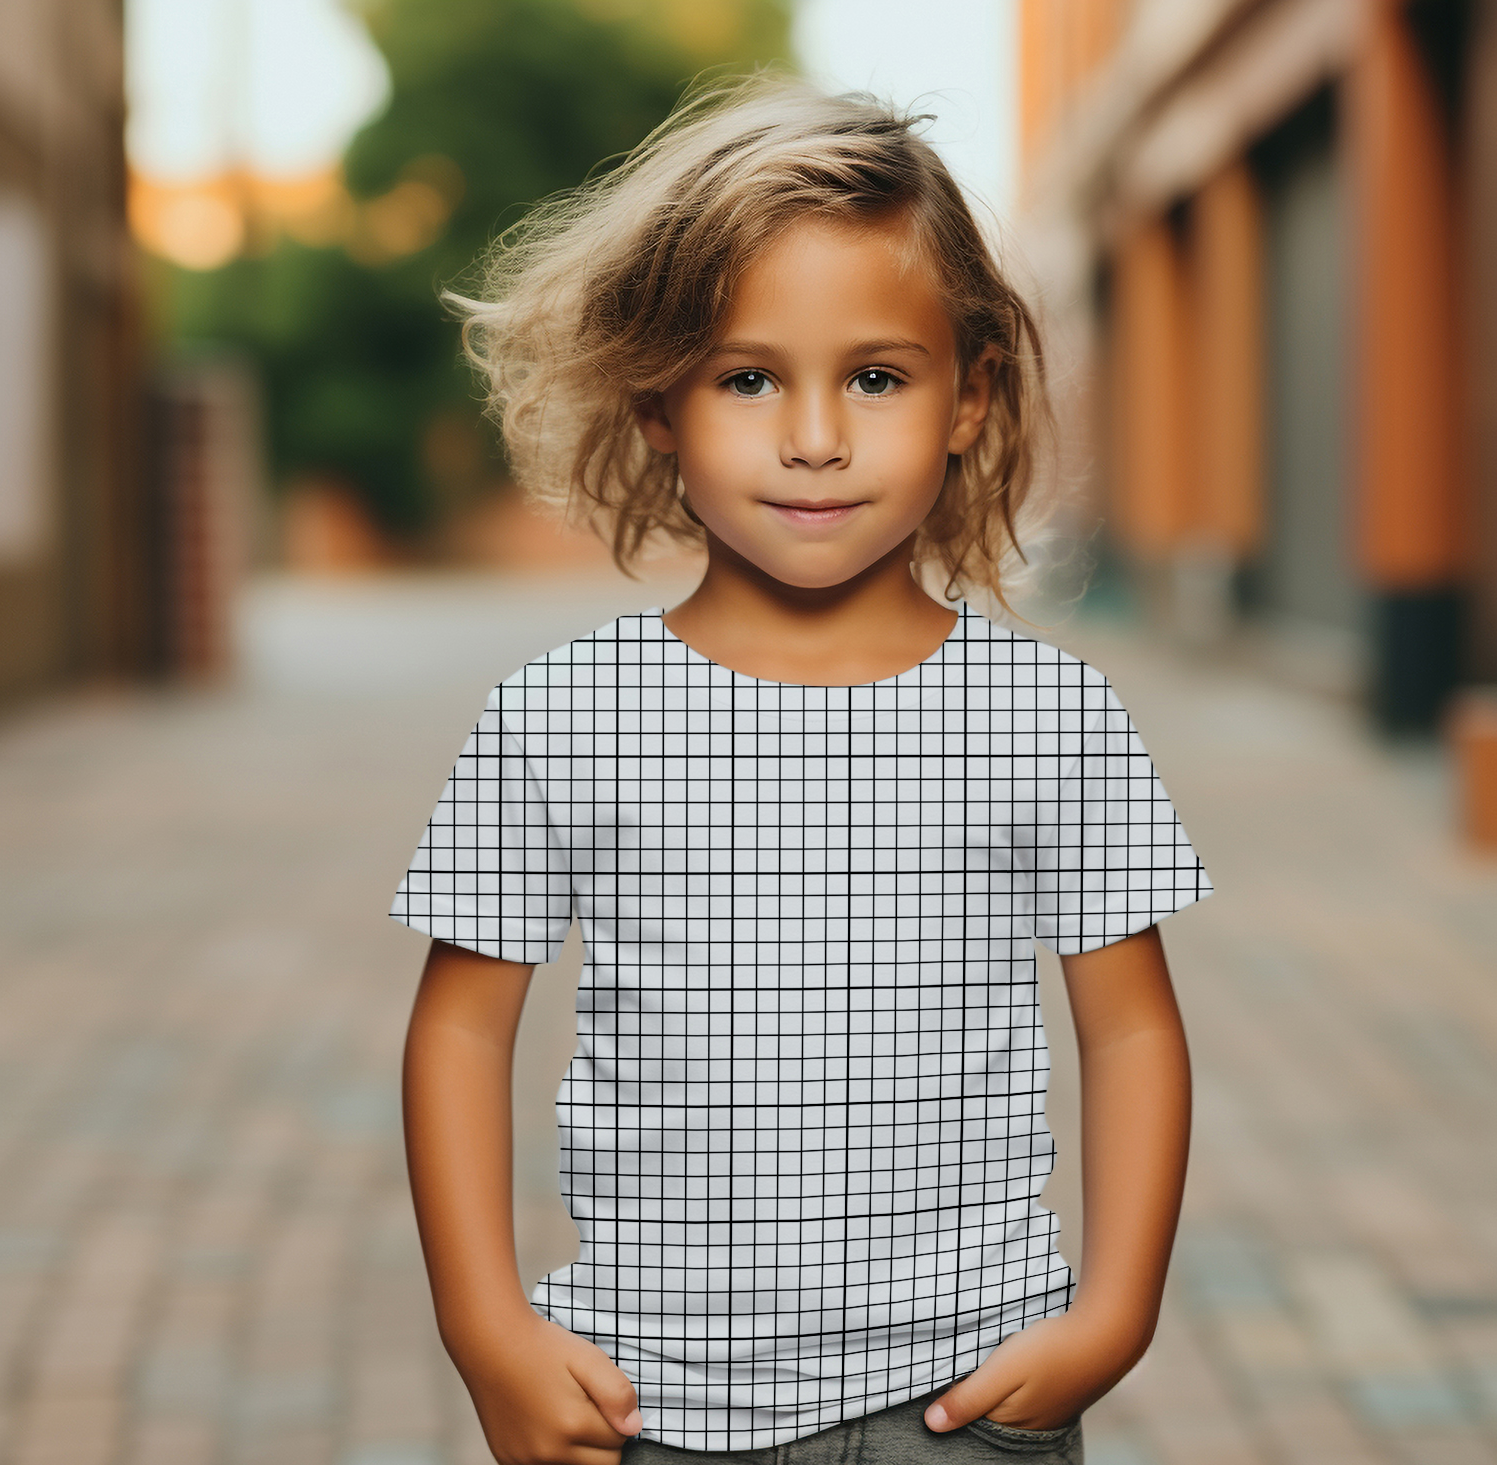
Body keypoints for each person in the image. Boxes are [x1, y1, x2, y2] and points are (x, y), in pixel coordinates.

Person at [392, 76, 1212, 1465]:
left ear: (969, 397)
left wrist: (1114, 1310)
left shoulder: (1051, 715)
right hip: (656, 1405)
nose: (816, 435)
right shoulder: (558, 716)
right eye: (749, 375)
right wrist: (489, 1332)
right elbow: (463, 1029)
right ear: (659, 402)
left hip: (967, 1399)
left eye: (877, 377)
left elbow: (1130, 1026)